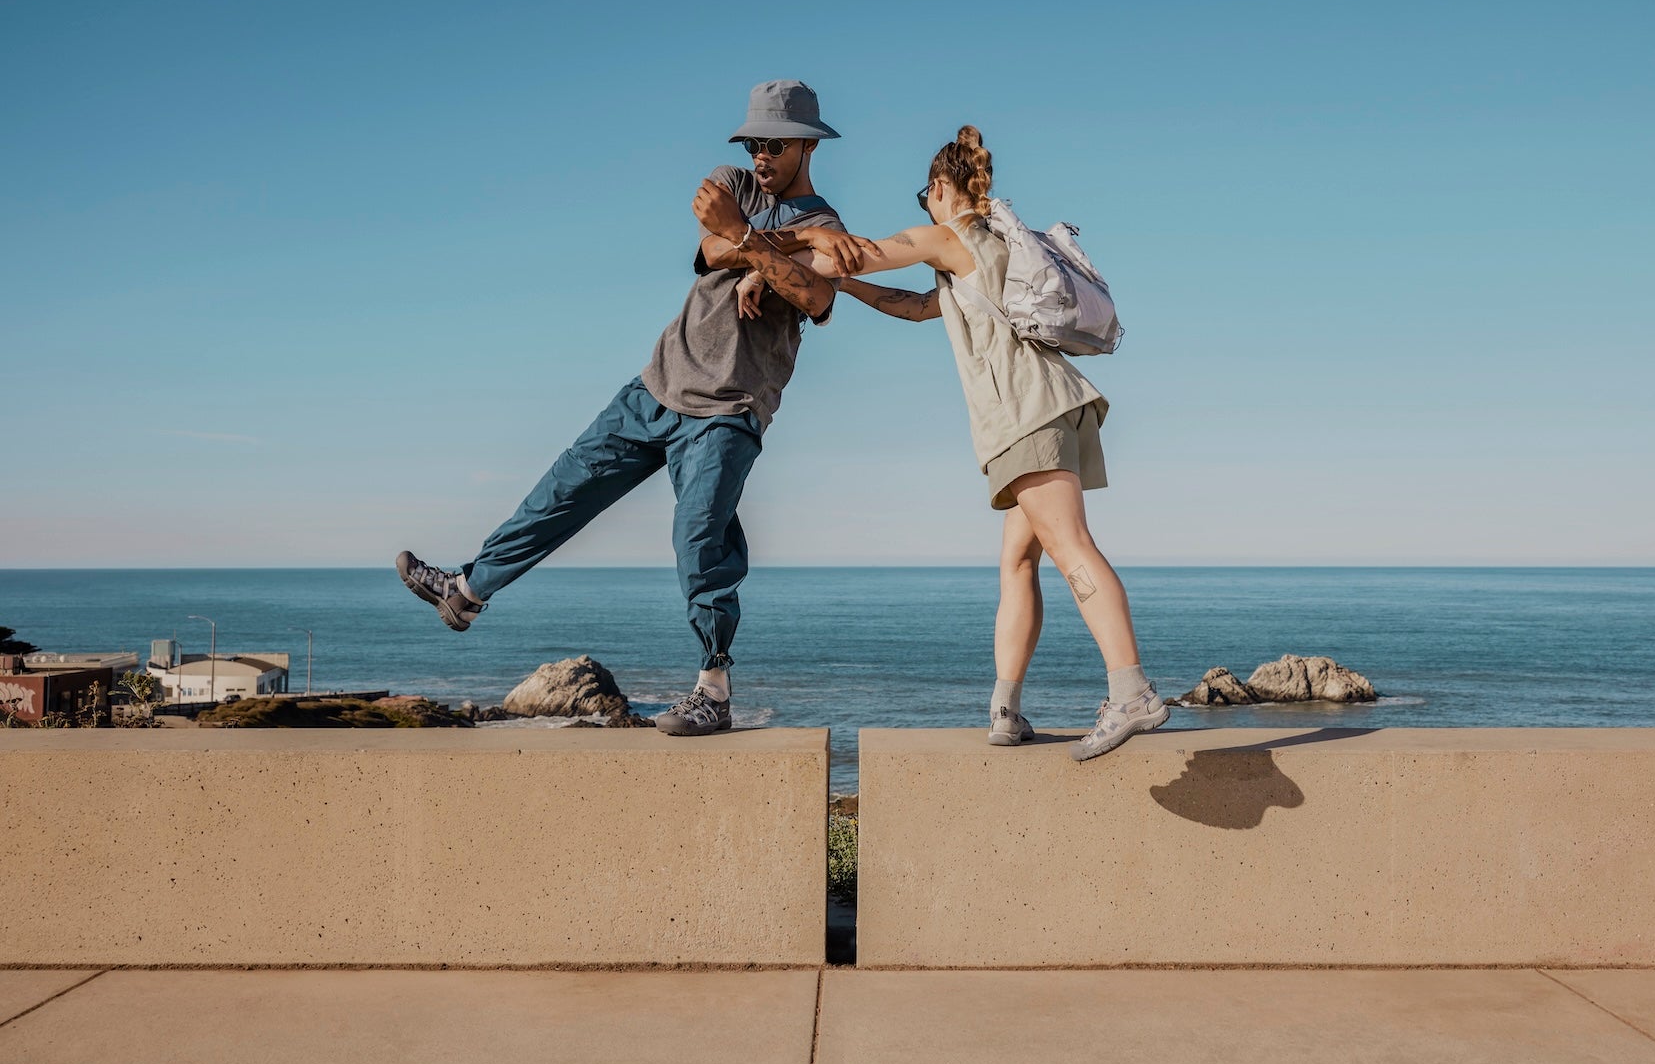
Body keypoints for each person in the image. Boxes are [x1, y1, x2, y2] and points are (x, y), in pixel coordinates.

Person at [397, 80, 864, 736]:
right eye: (753, 142)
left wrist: (759, 247)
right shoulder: (733, 182)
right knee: (561, 490)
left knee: (699, 539)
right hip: (657, 385)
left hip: (728, 410)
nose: (760, 154)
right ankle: (466, 591)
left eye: (774, 144)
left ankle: (713, 692)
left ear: (807, 146)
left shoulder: (831, 227)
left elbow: (816, 298)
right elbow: (711, 248)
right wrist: (774, 247)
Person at [724, 126, 1167, 762]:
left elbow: (860, 253)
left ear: (939, 189)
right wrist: (839, 286)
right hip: (1055, 406)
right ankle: (1006, 709)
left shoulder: (950, 235)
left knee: (1071, 547)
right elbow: (911, 306)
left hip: (1024, 414)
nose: (924, 209)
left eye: (924, 197)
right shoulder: (992, 247)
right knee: (1018, 562)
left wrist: (769, 265)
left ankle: (1131, 692)